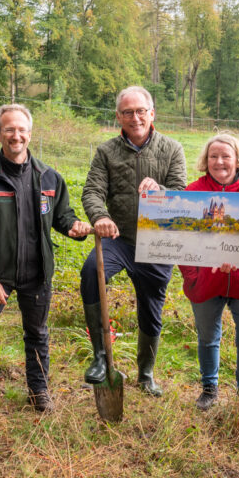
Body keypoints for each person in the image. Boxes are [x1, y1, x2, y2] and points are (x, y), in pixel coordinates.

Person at [0, 104, 92, 437]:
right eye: (9, 129)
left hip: (37, 275)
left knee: (37, 335)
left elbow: (62, 216)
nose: (16, 135)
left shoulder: (49, 178)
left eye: (22, 129)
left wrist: (74, 226)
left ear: (30, 133)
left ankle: (38, 389)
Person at [81, 85, 187, 397]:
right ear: (119, 117)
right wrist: (100, 216)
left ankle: (146, 374)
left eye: (141, 111)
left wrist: (161, 191)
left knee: (151, 307)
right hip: (119, 239)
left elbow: (180, 193)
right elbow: (92, 190)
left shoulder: (171, 149)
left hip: (157, 243)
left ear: (152, 113)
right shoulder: (107, 151)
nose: (135, 117)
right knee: (90, 272)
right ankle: (101, 356)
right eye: (128, 112)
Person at [178, 133, 239, 410]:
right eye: (213, 156)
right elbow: (182, 241)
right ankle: (209, 389)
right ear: (206, 160)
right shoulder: (194, 191)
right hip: (206, 282)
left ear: (237, 159)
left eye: (226, 156)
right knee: (208, 338)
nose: (219, 162)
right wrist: (192, 276)